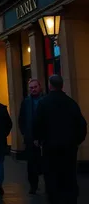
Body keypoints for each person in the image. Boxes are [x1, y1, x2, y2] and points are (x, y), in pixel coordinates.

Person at [34, 75, 87, 204]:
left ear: (50, 85)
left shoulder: (43, 103)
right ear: (62, 85)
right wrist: (76, 141)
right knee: (68, 175)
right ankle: (69, 197)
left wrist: (39, 139)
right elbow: (81, 125)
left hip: (50, 147)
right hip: (68, 146)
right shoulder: (71, 103)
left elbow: (38, 124)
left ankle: (54, 198)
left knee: (52, 176)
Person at [18, 78, 44, 194]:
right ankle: (33, 185)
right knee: (31, 164)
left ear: (40, 87)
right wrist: (25, 133)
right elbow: (21, 119)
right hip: (30, 138)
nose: (33, 89)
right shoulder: (26, 102)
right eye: (31, 88)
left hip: (44, 139)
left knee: (45, 163)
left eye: (35, 87)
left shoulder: (45, 100)